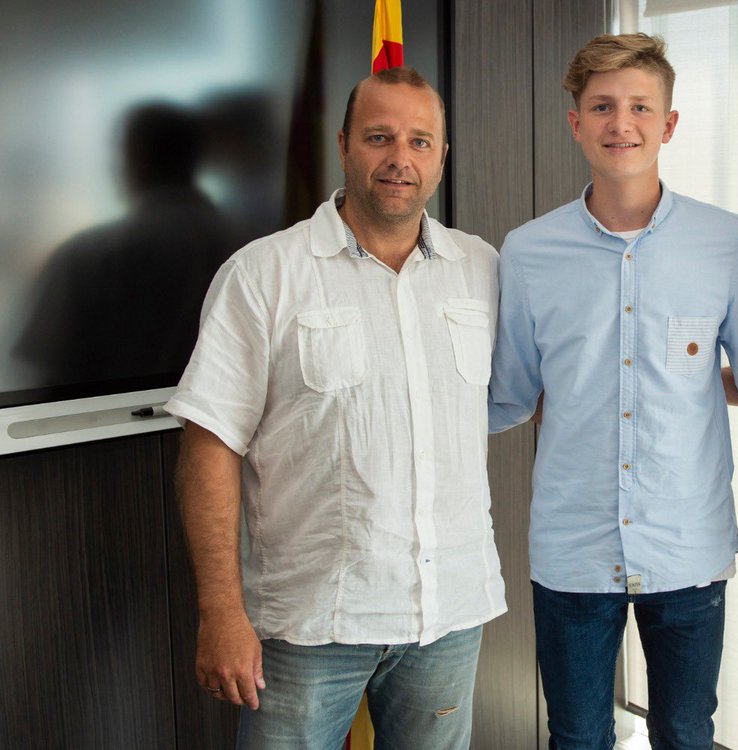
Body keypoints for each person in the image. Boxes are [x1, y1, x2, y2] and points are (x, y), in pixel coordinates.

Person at [166, 67, 505, 749]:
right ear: (346, 145)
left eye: (419, 141)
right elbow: (209, 446)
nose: (399, 159)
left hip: (448, 617)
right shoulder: (265, 275)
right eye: (380, 137)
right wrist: (221, 612)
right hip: (310, 626)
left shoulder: (486, 271)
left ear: (443, 157)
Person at [488, 33, 738, 750]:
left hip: (688, 545)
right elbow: (510, 392)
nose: (621, 124)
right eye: (601, 107)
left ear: (669, 124)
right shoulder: (528, 251)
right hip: (573, 548)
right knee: (577, 738)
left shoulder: (727, 240)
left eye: (640, 107)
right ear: (576, 122)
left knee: (686, 734)